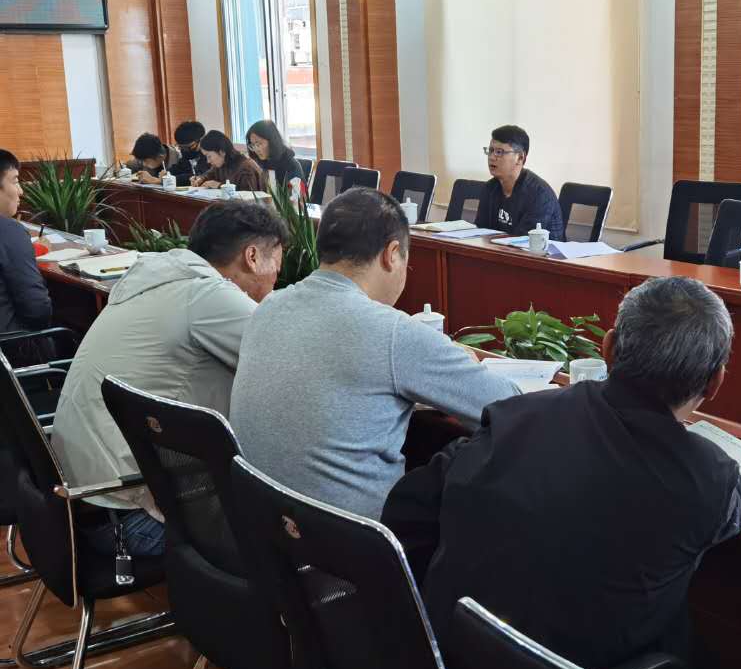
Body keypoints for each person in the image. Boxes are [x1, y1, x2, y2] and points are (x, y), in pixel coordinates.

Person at [383, 275, 741, 669]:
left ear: (608, 349)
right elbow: (734, 506)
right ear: (715, 382)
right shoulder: (708, 477)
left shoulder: (515, 416)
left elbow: (406, 511)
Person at [230, 187, 522, 518]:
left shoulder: (268, 307)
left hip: (261, 528)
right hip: (359, 541)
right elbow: (509, 408)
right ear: (392, 254)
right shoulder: (393, 333)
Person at [51, 201, 286, 557]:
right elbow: (297, 363)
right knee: (298, 537)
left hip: (81, 504)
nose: (274, 283)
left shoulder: (153, 277)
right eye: (276, 270)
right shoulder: (208, 296)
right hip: (130, 520)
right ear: (252, 256)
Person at [474, 124, 565, 240]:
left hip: (539, 251)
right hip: (498, 249)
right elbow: (481, 232)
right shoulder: (490, 188)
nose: (491, 157)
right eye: (490, 151)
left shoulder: (539, 194)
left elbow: (522, 242)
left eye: (499, 152)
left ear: (520, 157)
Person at [0, 150, 51, 336]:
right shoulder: (9, 231)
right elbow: (37, 310)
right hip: (11, 345)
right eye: (15, 181)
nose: (21, 191)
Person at [192, 129, 267, 192]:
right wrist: (200, 179)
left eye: (209, 156)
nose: (208, 161)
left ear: (222, 152)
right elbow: (208, 175)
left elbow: (248, 196)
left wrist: (219, 185)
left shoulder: (246, 167)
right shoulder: (220, 164)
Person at [246, 119, 305, 195]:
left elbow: (297, 198)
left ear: (272, 141)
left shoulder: (291, 165)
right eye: (253, 145)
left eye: (259, 144)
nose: (256, 149)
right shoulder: (263, 164)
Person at [167, 121, 210, 187]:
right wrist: (166, 173)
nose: (185, 150)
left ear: (202, 139)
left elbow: (199, 175)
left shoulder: (210, 153)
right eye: (181, 147)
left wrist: (170, 179)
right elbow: (179, 168)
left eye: (189, 147)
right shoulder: (186, 153)